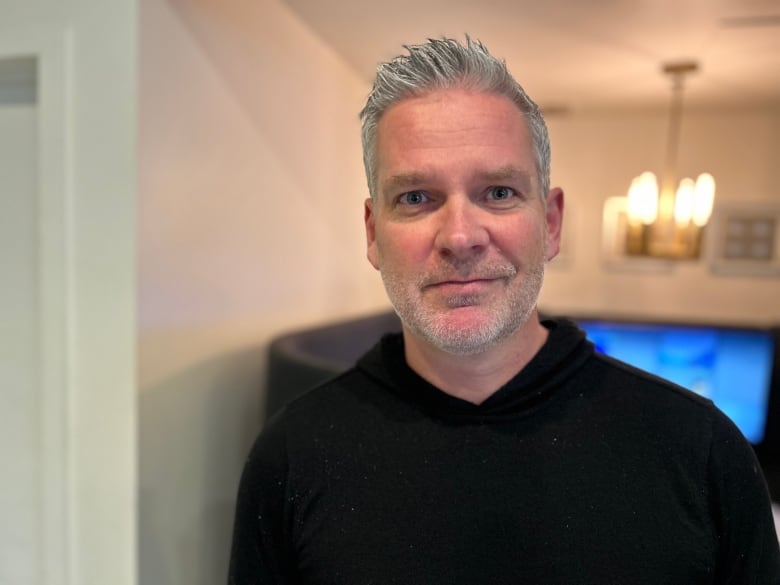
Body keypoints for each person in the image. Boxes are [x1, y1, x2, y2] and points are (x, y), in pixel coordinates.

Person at [228, 37, 780, 584]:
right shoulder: (292, 455)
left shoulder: (703, 451)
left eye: (498, 192)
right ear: (374, 234)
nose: (460, 236)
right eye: (416, 197)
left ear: (552, 224)